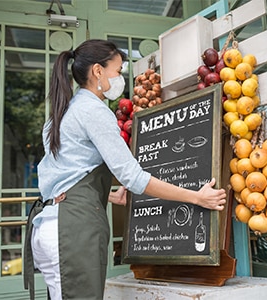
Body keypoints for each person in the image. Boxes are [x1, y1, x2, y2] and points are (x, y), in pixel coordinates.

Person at [23, 39, 227, 300]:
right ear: (98, 70)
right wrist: (197, 197)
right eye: (117, 71)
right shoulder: (94, 111)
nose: (119, 78)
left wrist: (108, 193)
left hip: (51, 227)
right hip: (72, 232)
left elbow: (65, 175)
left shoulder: (60, 114)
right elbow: (134, 177)